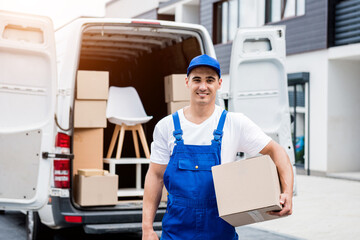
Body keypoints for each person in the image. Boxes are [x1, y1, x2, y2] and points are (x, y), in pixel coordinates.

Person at [142, 54, 293, 240]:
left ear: (219, 83)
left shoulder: (234, 123)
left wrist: (287, 192)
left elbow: (276, 151)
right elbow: (155, 176)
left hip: (220, 231)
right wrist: (147, 228)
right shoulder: (167, 126)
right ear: (187, 82)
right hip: (177, 232)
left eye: (210, 80)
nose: (203, 86)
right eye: (197, 79)